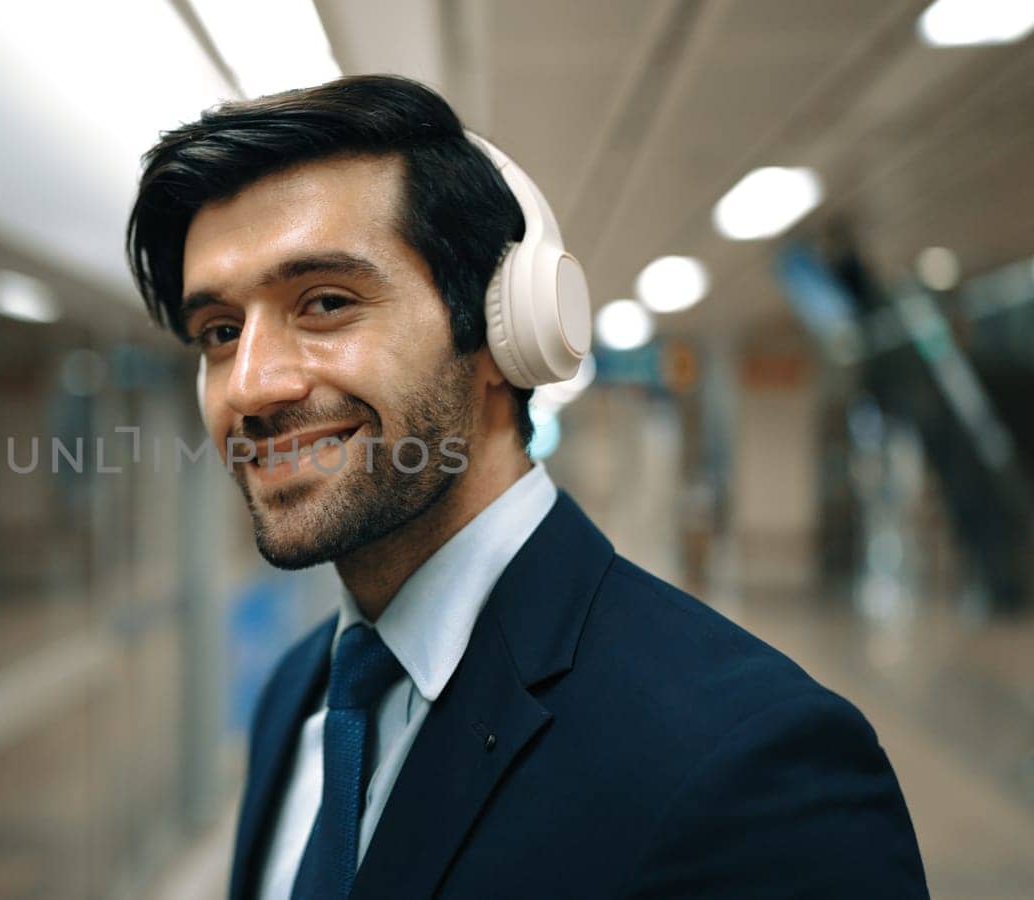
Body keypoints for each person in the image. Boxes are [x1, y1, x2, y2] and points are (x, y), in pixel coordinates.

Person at [126, 75, 927, 900]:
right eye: (220, 332)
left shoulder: (746, 767)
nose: (250, 385)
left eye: (325, 303)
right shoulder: (299, 694)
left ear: (505, 333)